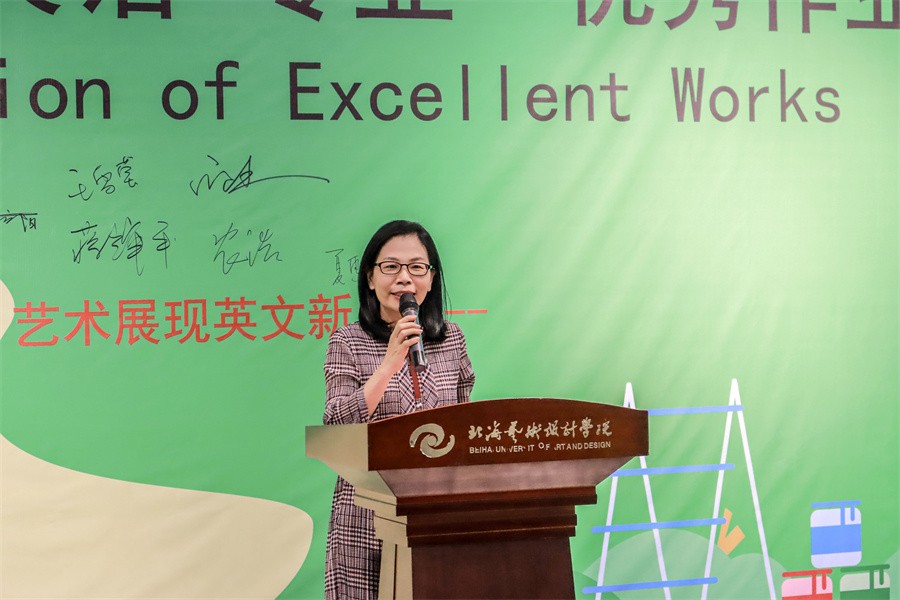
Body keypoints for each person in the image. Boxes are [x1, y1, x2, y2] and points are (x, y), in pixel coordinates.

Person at [322, 220, 476, 600]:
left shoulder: (451, 339)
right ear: (370, 278)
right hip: (366, 517)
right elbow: (336, 425)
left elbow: (464, 426)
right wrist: (390, 363)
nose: (404, 278)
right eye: (391, 266)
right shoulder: (348, 341)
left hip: (436, 515)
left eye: (417, 267)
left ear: (431, 278)